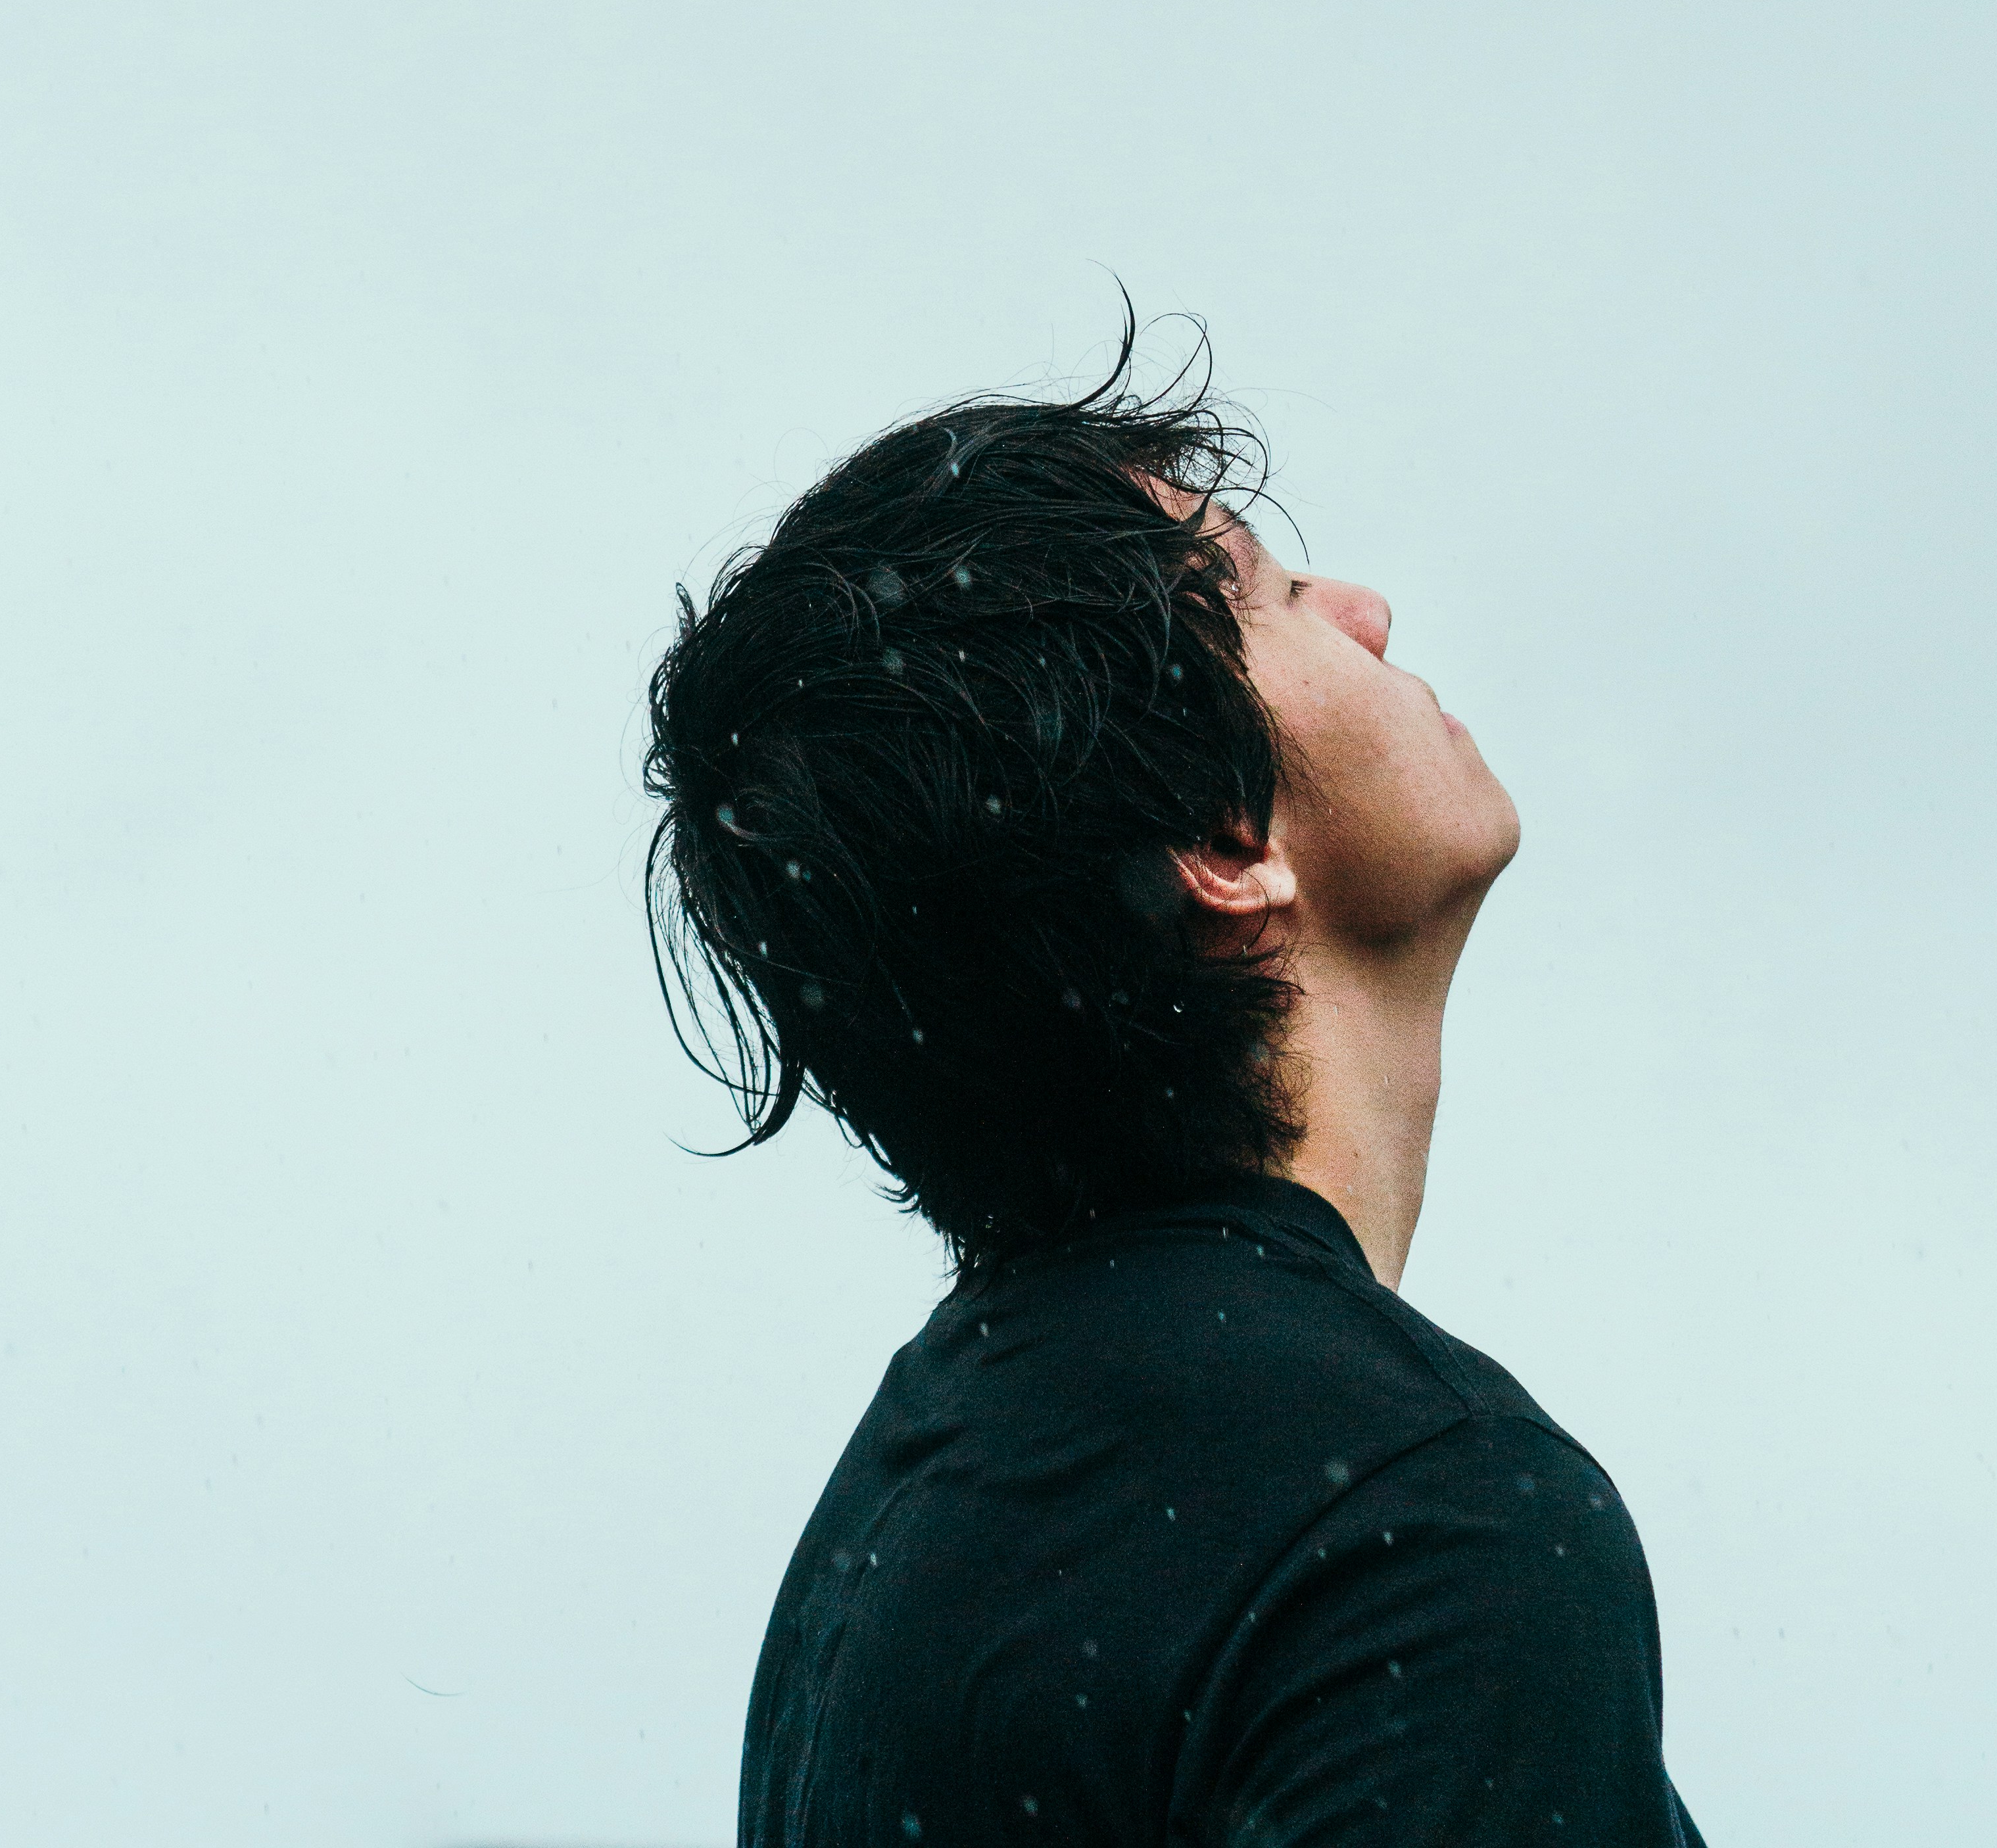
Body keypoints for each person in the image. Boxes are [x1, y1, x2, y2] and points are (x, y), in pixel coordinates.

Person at [643, 328, 1707, 1845]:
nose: (1368, 613)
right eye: (1271, 597)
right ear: (1225, 851)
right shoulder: (1413, 1520)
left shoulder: (909, 1506)